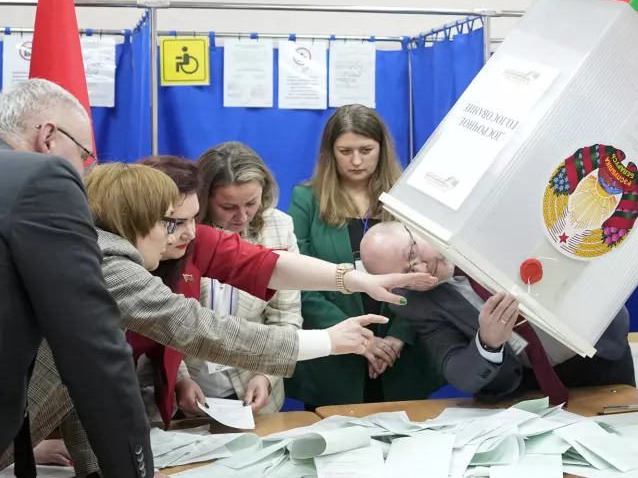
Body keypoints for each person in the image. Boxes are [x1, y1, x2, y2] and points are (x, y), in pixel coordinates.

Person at [5, 160, 435, 474]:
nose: (190, 235)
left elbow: (263, 264)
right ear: (138, 216)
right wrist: (326, 341)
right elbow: (198, 327)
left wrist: (353, 279)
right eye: (175, 222)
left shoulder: (100, 247)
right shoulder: (108, 263)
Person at [0, 79, 154, 477]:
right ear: (49, 136)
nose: (85, 173)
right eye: (84, 156)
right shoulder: (42, 178)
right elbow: (91, 348)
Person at [361, 222, 635, 405]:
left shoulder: (483, 225)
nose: (421, 270)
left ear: (416, 228)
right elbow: (459, 373)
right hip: (529, 386)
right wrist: (487, 344)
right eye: (406, 274)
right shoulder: (417, 302)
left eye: (413, 253)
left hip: (598, 355)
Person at [286, 105, 443, 409]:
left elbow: (429, 273)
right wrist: (357, 337)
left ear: (382, 149)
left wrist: (397, 338)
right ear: (330, 152)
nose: (356, 160)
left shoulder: (408, 197)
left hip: (401, 353)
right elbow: (297, 278)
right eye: (345, 151)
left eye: (365, 150)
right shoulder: (305, 200)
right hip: (335, 354)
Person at [172, 142, 303, 416]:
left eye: (252, 203)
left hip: (252, 386)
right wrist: (179, 378)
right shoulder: (181, 232)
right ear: (204, 198)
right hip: (189, 385)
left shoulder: (279, 227)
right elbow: (164, 321)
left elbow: (285, 317)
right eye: (228, 206)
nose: (242, 217)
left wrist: (266, 375)